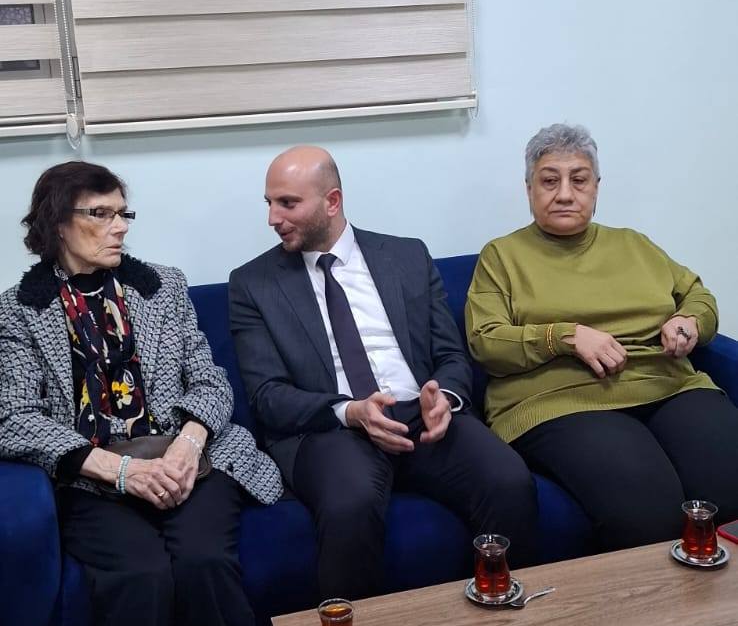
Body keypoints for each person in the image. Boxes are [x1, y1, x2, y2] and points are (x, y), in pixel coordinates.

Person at [0, 162, 286, 626]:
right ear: (57, 223)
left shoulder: (163, 287)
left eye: (123, 213)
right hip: (98, 481)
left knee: (205, 565)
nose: (119, 227)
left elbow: (209, 380)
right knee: (137, 581)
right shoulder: (18, 311)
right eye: (101, 214)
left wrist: (187, 444)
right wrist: (118, 469)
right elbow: (12, 418)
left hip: (193, 462)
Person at [228, 146, 537, 598]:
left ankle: (503, 616)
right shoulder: (253, 284)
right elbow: (267, 396)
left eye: (288, 203)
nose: (273, 218)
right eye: (270, 203)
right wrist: (351, 411)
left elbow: (451, 355)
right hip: (332, 428)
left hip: (421, 415)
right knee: (350, 505)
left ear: (332, 201)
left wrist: (445, 398)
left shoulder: (406, 256)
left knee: (508, 481)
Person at [465, 123, 738, 550]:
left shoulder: (634, 245)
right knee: (650, 516)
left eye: (579, 180)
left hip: (667, 384)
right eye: (549, 181)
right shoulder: (502, 256)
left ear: (596, 187)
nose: (565, 194)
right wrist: (565, 337)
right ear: (529, 189)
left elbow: (698, 296)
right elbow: (486, 341)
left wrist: (688, 321)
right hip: (561, 401)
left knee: (729, 487)